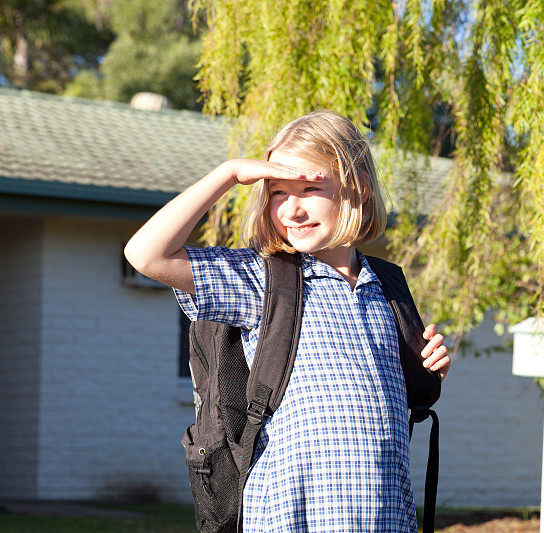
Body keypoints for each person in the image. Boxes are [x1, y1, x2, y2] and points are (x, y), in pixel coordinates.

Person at [124, 109, 451, 532]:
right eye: (278, 192)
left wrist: (430, 369)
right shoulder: (261, 279)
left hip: (385, 517)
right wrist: (229, 174)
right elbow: (146, 255)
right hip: (290, 518)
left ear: (360, 190)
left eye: (311, 188)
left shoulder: (387, 288)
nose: (292, 210)